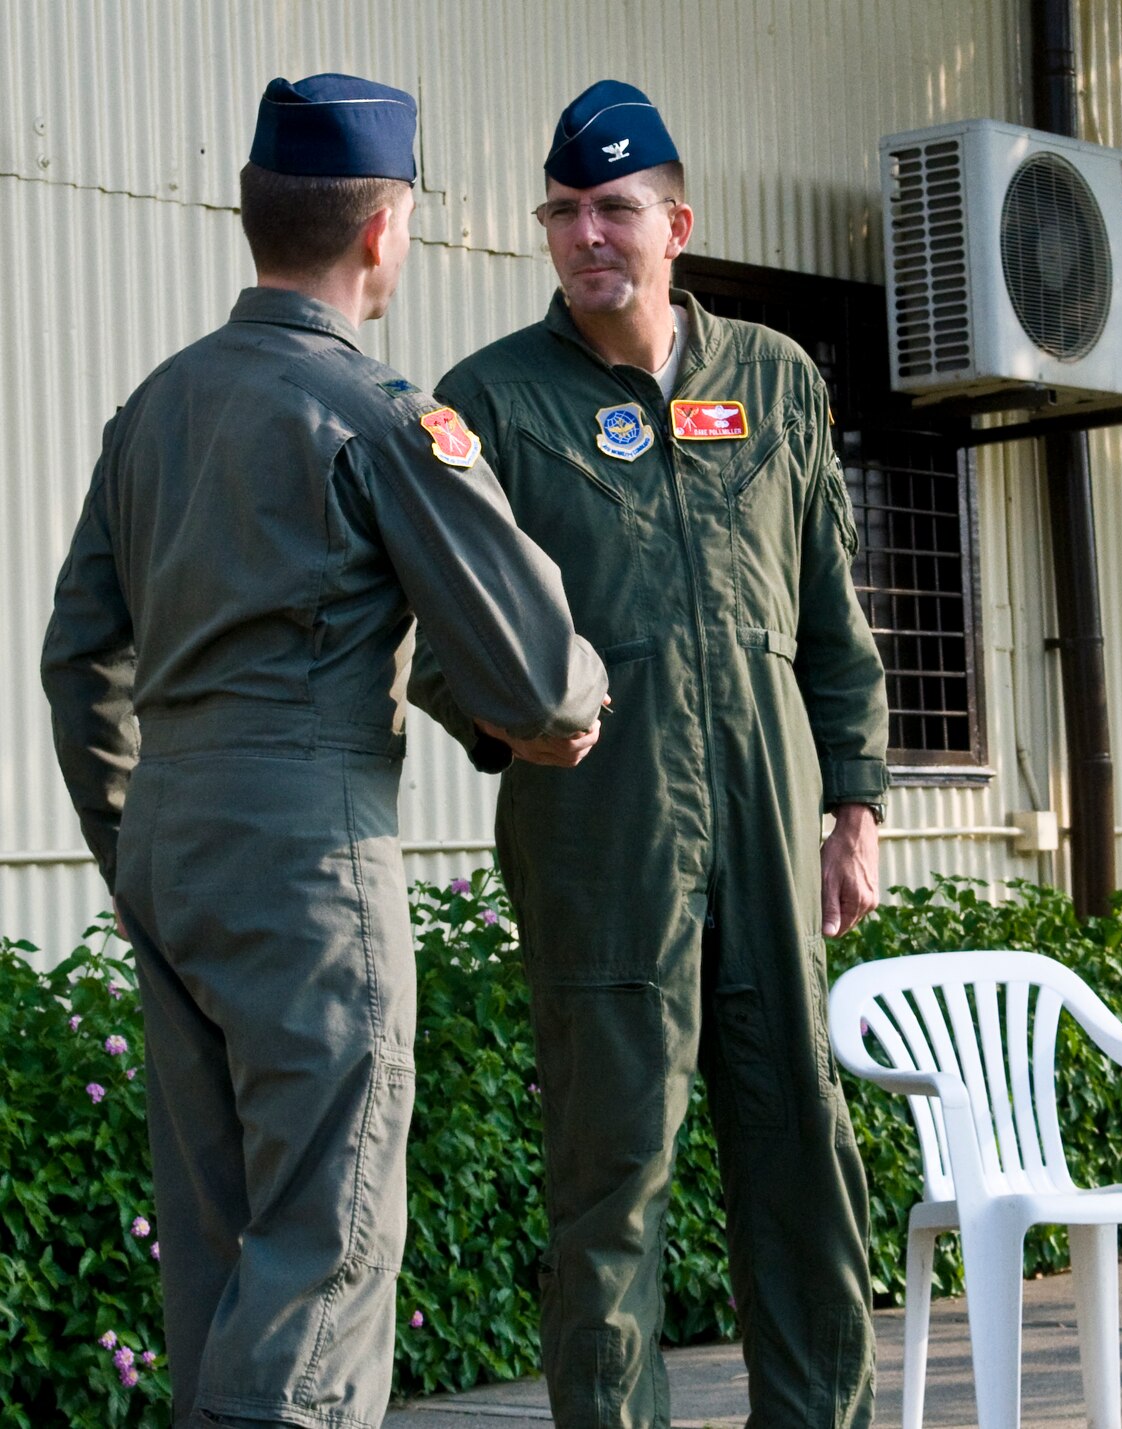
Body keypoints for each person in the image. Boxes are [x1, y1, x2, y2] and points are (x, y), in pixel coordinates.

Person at [41, 74, 608, 1429]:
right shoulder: (378, 419)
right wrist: (566, 710)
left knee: (224, 1250)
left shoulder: (155, 411)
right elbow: (542, 679)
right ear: (383, 227)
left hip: (174, 847)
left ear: (256, 218)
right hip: (311, 857)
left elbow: (78, 662)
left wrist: (137, 839)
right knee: (324, 1254)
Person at [408, 79, 888, 1428]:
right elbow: (429, 633)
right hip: (600, 837)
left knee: (802, 1153)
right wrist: (505, 719)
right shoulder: (490, 403)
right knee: (610, 1186)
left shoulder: (778, 379)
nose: (585, 235)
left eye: (614, 209)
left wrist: (854, 804)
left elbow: (832, 621)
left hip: (765, 821)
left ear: (678, 223)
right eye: (562, 212)